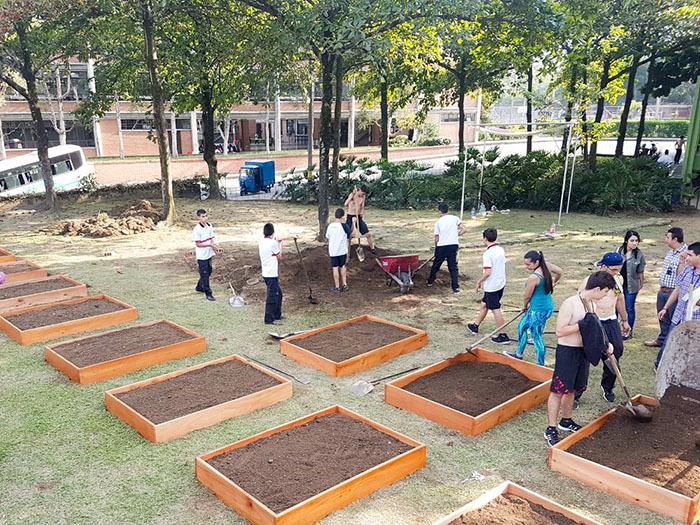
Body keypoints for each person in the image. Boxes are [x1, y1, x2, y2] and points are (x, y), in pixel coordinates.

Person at [545, 271, 616, 446]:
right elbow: (560, 331)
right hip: (567, 352)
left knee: (572, 390)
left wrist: (605, 344)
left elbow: (595, 328)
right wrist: (580, 326)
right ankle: (551, 428)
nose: (606, 295)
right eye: (605, 292)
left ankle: (566, 421)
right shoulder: (570, 303)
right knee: (558, 391)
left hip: (582, 352)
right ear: (597, 288)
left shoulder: (591, 304)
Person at [577, 252, 630, 404]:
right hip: (594, 322)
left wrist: (624, 320)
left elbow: (620, 299)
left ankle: (608, 387)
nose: (616, 272)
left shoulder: (618, 279)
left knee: (616, 352)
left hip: (611, 321)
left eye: (618, 269)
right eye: (613, 269)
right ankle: (577, 392)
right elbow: (580, 300)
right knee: (585, 356)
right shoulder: (589, 281)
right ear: (603, 266)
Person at [504, 250, 562, 365]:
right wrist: (553, 284)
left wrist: (524, 307)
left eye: (528, 264)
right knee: (522, 326)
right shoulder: (546, 266)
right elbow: (560, 272)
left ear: (536, 262)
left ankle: (541, 364)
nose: (526, 267)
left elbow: (526, 296)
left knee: (536, 336)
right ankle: (518, 354)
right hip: (540, 308)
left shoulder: (534, 277)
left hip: (539, 311)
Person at [656, 242, 700, 367]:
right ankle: (660, 366)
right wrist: (665, 307)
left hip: (695, 319)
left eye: (690, 255)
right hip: (678, 316)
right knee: (669, 343)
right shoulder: (688, 269)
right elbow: (678, 288)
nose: (687, 258)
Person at [645, 227, 687, 350]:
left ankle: (671, 344)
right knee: (662, 317)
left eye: (667, 237)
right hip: (662, 291)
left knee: (674, 319)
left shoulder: (686, 254)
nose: (665, 240)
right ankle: (662, 340)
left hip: (674, 292)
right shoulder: (670, 252)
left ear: (675, 239)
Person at [468, 228, 510, 344]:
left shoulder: (487, 254)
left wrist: (479, 282)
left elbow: (487, 272)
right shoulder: (500, 250)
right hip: (500, 283)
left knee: (495, 309)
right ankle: (475, 325)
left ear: (485, 238)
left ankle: (503, 335)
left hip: (492, 286)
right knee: (484, 304)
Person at [427, 203, 466, 294]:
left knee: (436, 265)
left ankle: (430, 281)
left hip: (442, 246)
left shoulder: (438, 222)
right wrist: (456, 235)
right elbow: (464, 229)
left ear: (440, 211)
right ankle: (455, 288)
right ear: (448, 210)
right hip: (453, 245)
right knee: (453, 267)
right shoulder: (455, 218)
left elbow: (437, 237)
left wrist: (436, 248)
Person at [259, 223, 293, 325]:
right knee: (272, 296)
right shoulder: (272, 243)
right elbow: (280, 257)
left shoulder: (262, 242)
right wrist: (280, 244)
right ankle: (269, 319)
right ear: (272, 232)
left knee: (279, 294)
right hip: (271, 274)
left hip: (266, 272)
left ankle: (277, 315)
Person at [616, 230, 645, 339]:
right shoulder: (619, 251)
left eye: (636, 241)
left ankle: (628, 331)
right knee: (616, 306)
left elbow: (641, 271)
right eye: (632, 240)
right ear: (626, 241)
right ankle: (614, 331)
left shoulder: (639, 255)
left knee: (629, 308)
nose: (634, 243)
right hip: (617, 285)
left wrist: (641, 284)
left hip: (631, 286)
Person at [193, 209, 221, 301]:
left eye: (206, 216)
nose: (205, 218)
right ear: (198, 218)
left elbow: (211, 239)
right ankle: (208, 293)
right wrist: (210, 245)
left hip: (209, 253)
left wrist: (215, 247)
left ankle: (199, 286)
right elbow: (198, 244)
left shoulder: (209, 226)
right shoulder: (197, 229)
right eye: (203, 216)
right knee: (204, 273)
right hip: (202, 255)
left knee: (209, 270)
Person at [344, 185, 377, 255]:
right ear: (360, 190)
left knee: (368, 234)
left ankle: (373, 250)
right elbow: (345, 204)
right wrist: (352, 196)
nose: (363, 195)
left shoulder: (363, 196)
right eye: (363, 193)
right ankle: (347, 254)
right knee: (348, 236)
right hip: (350, 217)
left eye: (364, 194)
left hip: (358, 217)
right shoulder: (352, 195)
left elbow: (362, 207)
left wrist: (361, 213)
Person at [326, 208, 351, 293]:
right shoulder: (344, 226)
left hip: (333, 251)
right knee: (343, 266)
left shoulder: (330, 226)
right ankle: (344, 284)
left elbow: (327, 237)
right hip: (342, 250)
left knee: (335, 268)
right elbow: (351, 234)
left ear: (335, 216)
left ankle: (337, 287)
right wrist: (354, 223)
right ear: (342, 216)